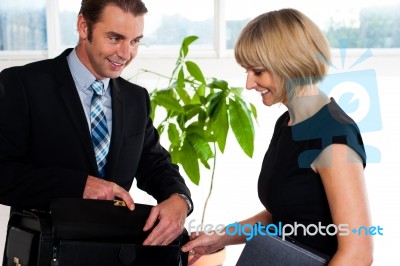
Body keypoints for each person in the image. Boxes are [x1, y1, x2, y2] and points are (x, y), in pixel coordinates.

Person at [182, 8, 373, 265]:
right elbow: (285, 217)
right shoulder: (288, 122)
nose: (249, 84)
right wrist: (220, 237)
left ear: (290, 65)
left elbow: (358, 254)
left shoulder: (333, 137)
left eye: (258, 72)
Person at [0, 0, 193, 248]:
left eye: (135, 41)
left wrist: (179, 199)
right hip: (47, 252)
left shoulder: (136, 98)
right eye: (115, 38)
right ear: (83, 26)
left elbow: (155, 165)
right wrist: (79, 185)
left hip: (116, 254)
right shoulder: (23, 84)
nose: (126, 54)